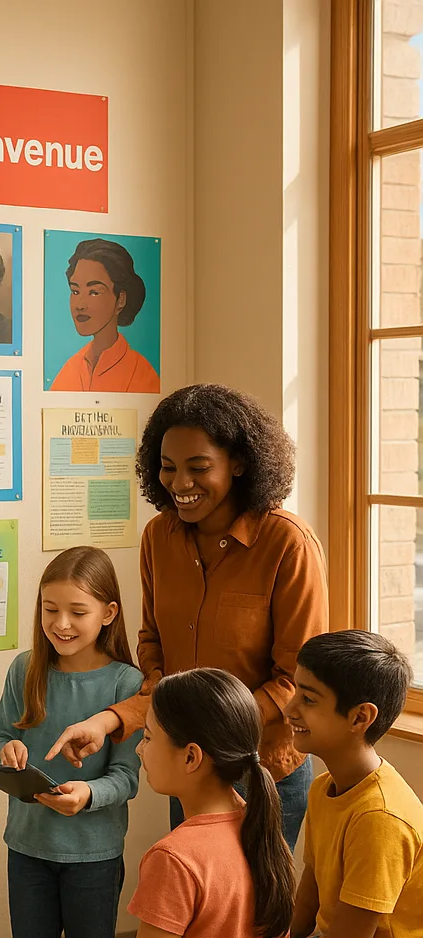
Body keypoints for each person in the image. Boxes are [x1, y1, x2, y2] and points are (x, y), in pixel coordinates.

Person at [47, 384, 328, 851]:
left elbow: (298, 677)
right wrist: (111, 720)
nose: (179, 484)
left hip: (264, 773)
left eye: (198, 468)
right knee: (198, 908)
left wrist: (210, 726)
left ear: (238, 464)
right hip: (188, 765)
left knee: (253, 917)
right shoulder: (158, 537)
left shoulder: (287, 544)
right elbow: (154, 648)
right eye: (168, 467)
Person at [15, 669, 295, 938]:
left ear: (191, 757)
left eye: (147, 737)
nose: (140, 748)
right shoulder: (257, 824)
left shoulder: (175, 857)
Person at [0, 547, 143, 938]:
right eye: (50, 610)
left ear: (109, 613)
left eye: (78, 612)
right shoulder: (25, 668)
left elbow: (127, 776)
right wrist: (5, 749)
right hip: (27, 848)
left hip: (93, 857)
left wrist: (89, 794)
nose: (61, 624)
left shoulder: (124, 684)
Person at [286, 631, 423, 938]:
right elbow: (308, 902)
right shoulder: (322, 787)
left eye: (308, 699)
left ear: (360, 718)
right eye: (296, 691)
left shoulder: (379, 818)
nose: (290, 707)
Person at [50, 238, 159, 393]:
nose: (80, 305)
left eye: (94, 292)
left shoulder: (141, 373)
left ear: (120, 299)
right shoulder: (71, 368)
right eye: (75, 291)